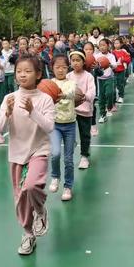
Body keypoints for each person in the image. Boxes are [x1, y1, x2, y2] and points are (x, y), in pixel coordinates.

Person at [0, 54, 55, 255]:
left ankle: (40, 210)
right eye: (19, 71)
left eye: (28, 71)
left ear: (38, 74)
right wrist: (7, 113)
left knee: (31, 186)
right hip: (17, 153)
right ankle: (28, 234)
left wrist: (33, 112)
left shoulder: (45, 99)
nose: (22, 75)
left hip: (39, 150)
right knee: (20, 198)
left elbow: (49, 127)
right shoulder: (9, 98)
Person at [49, 54, 77, 201]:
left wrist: (62, 95)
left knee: (68, 159)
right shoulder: (49, 84)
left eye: (64, 67)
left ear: (68, 68)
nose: (60, 70)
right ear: (52, 68)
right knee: (55, 153)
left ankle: (68, 186)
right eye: (57, 67)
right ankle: (55, 177)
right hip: (55, 124)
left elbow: (72, 93)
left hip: (70, 124)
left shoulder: (71, 82)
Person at [67, 50, 94, 169]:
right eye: (73, 60)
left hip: (85, 110)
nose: (75, 63)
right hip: (71, 110)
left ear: (83, 62)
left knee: (85, 134)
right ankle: (73, 142)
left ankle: (84, 156)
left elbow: (92, 92)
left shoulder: (88, 76)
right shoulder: (68, 76)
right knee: (69, 133)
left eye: (78, 60)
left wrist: (84, 96)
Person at [95, 39, 118, 123]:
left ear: (108, 46)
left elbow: (115, 66)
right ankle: (102, 115)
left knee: (109, 93)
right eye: (100, 45)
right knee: (101, 97)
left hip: (109, 78)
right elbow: (93, 66)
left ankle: (109, 107)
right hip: (100, 79)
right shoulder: (97, 56)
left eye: (104, 45)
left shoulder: (111, 56)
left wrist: (109, 64)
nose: (102, 47)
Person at [112, 37, 131, 104]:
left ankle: (121, 96)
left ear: (120, 44)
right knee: (114, 84)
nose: (116, 44)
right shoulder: (112, 52)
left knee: (120, 84)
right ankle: (114, 97)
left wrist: (123, 60)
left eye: (117, 43)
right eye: (115, 43)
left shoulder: (123, 52)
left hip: (121, 70)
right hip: (114, 71)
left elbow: (128, 59)